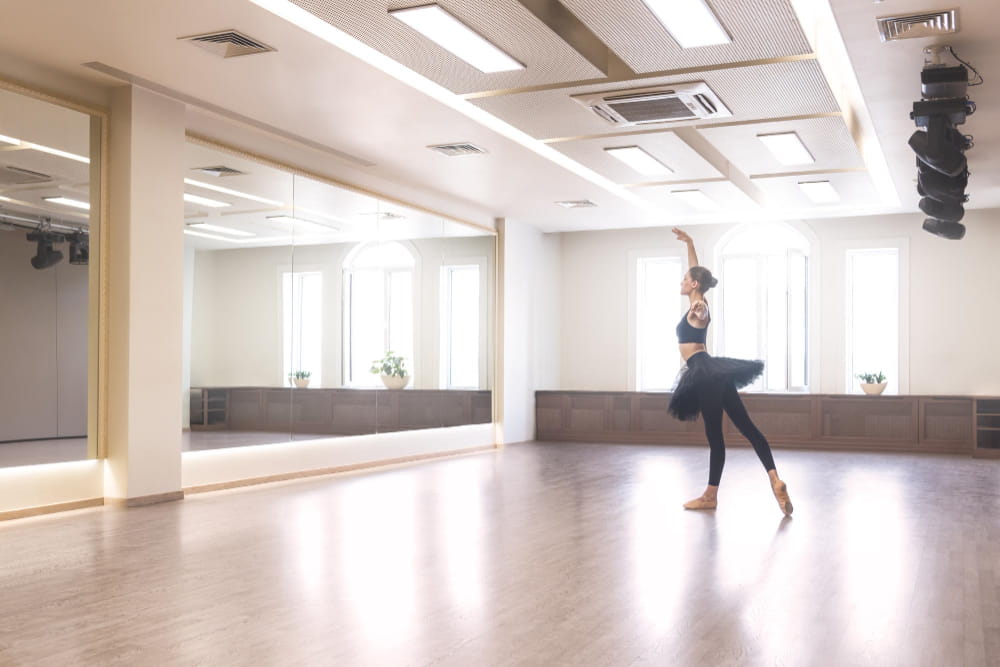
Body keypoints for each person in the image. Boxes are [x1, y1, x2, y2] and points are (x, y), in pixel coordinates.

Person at [669, 227, 793, 515]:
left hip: (702, 372)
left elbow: (701, 313)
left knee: (716, 438)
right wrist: (689, 242)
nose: (682, 280)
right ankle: (775, 479)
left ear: (694, 284)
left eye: (685, 279)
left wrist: (701, 313)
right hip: (713, 371)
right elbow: (695, 270)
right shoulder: (695, 298)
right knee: (748, 428)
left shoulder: (698, 306)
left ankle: (710, 496)